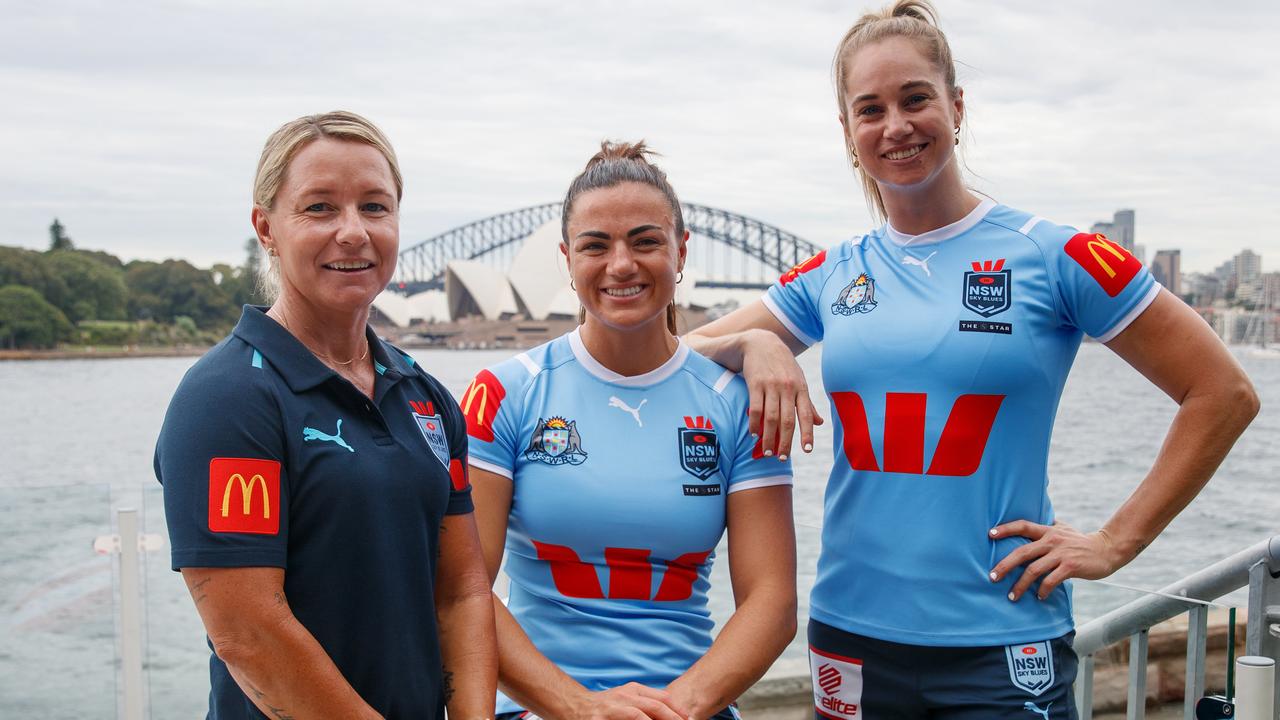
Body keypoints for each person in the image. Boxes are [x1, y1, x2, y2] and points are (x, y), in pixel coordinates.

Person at [685, 3, 1259, 718]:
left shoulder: (1056, 255)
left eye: (915, 98)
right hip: (852, 636)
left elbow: (1223, 392)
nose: (895, 125)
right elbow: (674, 362)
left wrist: (1116, 541)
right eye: (870, 108)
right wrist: (755, 341)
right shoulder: (833, 276)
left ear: (956, 106)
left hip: (1003, 640)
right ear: (848, 132)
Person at [154, 110, 497, 719]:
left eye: (374, 206)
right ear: (266, 227)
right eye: (319, 208)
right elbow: (249, 634)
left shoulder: (425, 396)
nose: (353, 231)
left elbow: (460, 594)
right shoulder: (227, 399)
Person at [464, 141, 797, 720]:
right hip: (541, 709)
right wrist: (580, 709)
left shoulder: (736, 403)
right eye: (596, 246)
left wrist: (677, 709)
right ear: (567, 259)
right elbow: (463, 589)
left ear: (681, 251)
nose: (621, 265)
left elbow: (772, 600)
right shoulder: (504, 393)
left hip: (692, 707)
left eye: (645, 241)